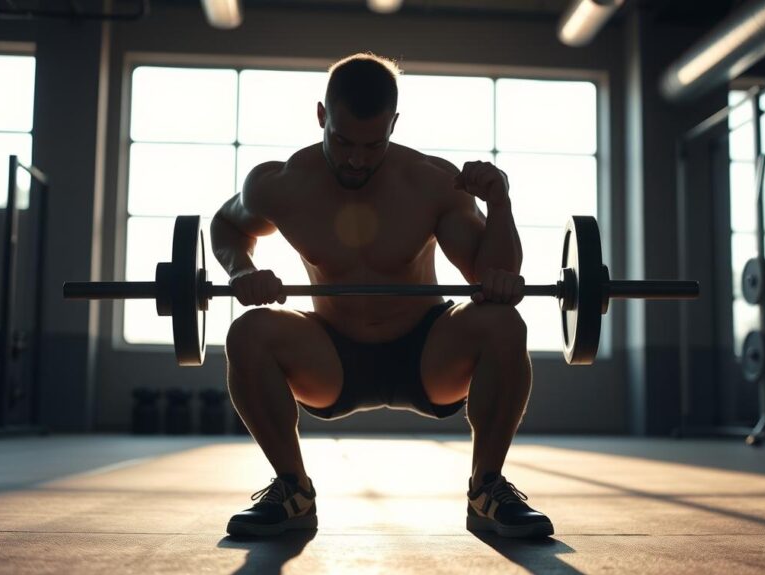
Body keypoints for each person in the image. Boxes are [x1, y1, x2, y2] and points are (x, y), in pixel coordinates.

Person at [210, 52, 552, 539]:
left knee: (503, 323)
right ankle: (292, 490)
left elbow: (494, 277)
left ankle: (487, 489)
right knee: (247, 333)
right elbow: (226, 224)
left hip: (427, 354)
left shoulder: (431, 182)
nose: (355, 158)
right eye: (342, 140)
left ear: (393, 123)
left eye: (373, 145)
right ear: (322, 116)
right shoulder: (283, 184)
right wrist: (242, 269)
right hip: (330, 356)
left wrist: (499, 205)